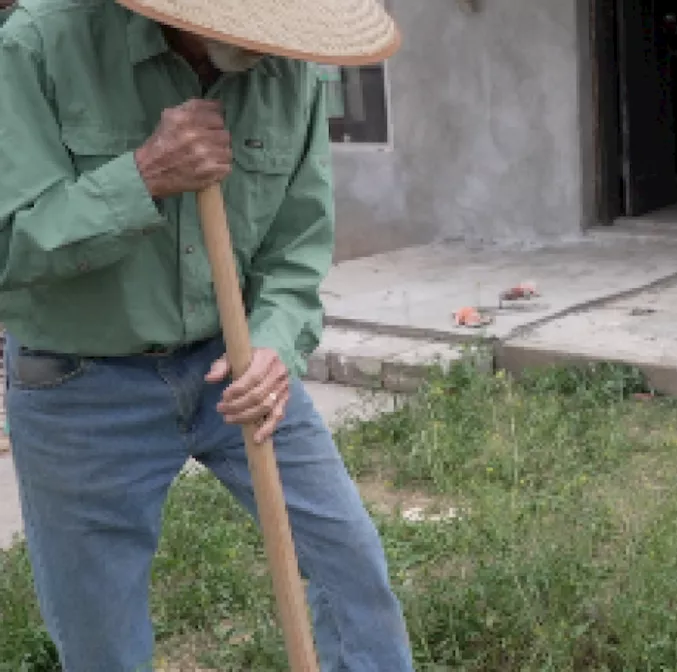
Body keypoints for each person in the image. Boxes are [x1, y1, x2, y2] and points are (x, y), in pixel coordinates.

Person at [0, 0, 412, 669]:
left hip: (236, 361)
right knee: (99, 637)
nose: (268, 39)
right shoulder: (38, 47)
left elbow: (296, 246)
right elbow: (7, 249)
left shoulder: (287, 67)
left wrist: (276, 339)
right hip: (81, 382)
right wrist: (142, 176)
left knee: (351, 566)